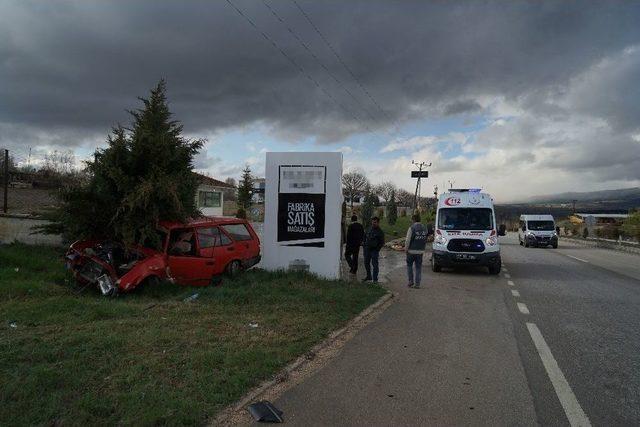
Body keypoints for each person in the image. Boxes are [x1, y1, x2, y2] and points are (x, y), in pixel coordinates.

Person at [405, 213, 428, 288]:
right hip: (420, 251)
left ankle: (410, 281)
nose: (411, 221)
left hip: (411, 251)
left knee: (409, 266)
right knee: (418, 268)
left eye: (411, 219)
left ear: (414, 219)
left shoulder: (412, 228)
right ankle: (417, 284)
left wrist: (406, 249)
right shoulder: (424, 228)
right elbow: (425, 239)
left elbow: (408, 240)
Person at [363, 217, 385, 283]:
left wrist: (377, 249)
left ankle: (375, 279)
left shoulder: (380, 232)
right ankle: (369, 276)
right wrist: (364, 244)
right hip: (367, 249)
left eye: (375, 222)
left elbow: (382, 242)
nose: (373, 223)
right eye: (372, 222)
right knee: (366, 263)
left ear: (378, 223)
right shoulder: (369, 229)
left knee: (375, 265)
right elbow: (365, 236)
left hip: (374, 250)